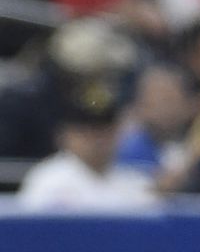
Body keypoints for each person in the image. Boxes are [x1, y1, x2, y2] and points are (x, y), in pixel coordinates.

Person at [14, 81, 159, 211]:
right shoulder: (47, 181)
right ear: (66, 134)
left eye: (105, 130)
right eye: (86, 131)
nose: (97, 139)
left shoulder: (136, 183)